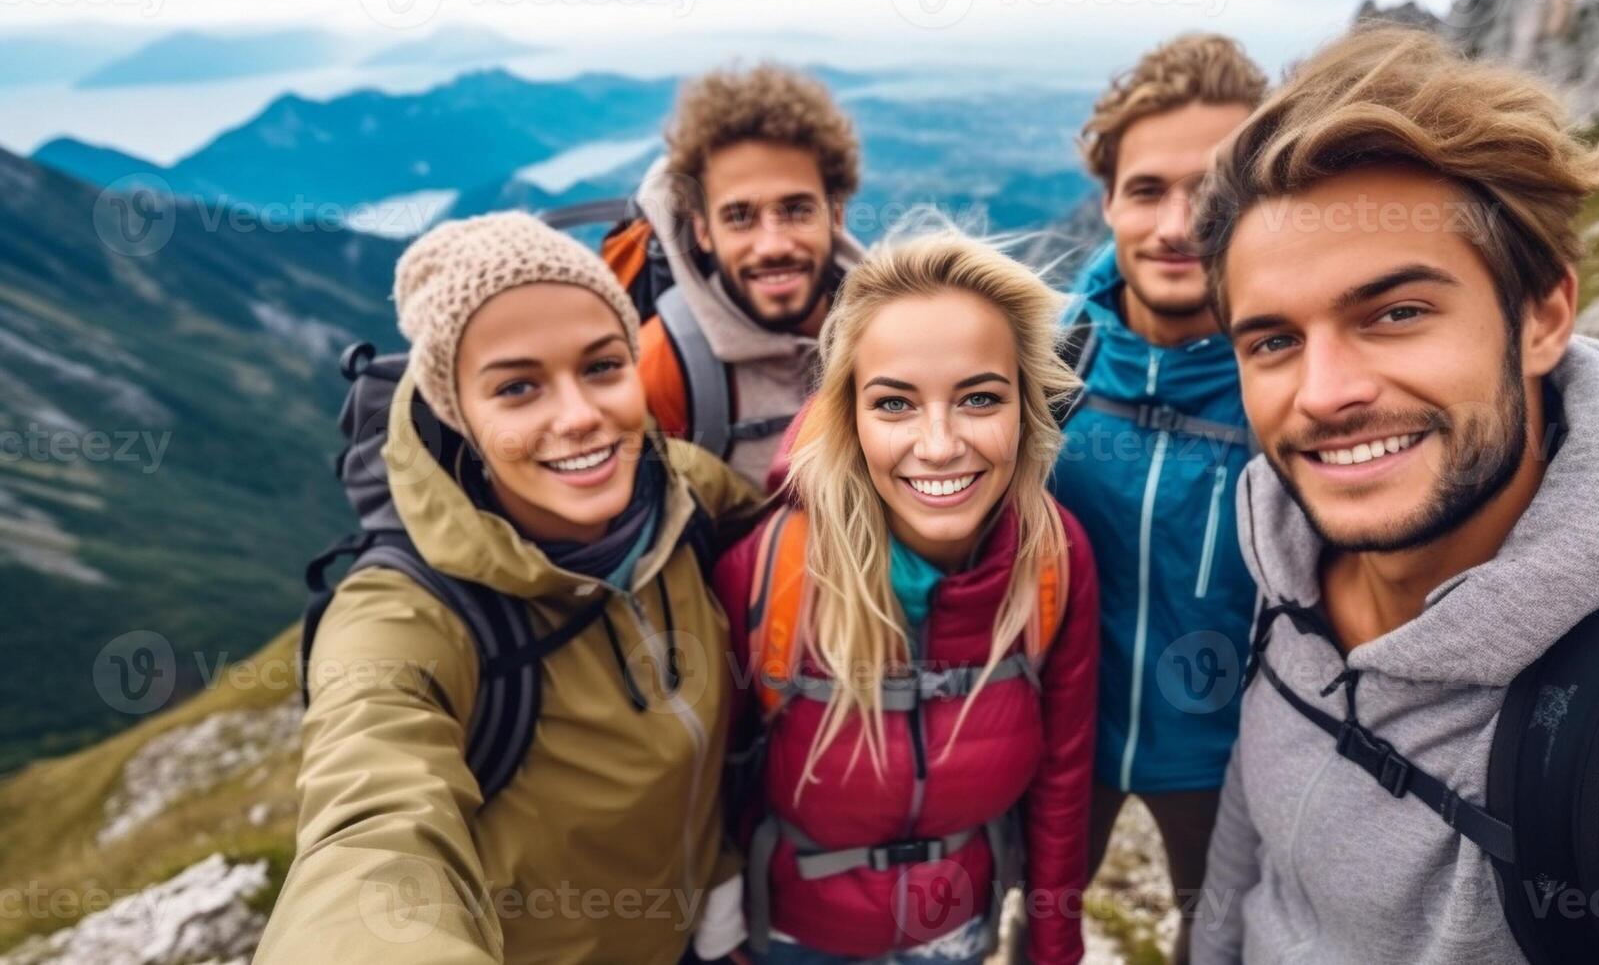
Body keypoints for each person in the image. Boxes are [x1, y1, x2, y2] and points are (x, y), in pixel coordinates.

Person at [1189, 26, 1599, 963]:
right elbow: (1251, 862)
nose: (1324, 393)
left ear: (1541, 317)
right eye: (1273, 341)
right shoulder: (1282, 546)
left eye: (1396, 313)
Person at [257, 212, 763, 964]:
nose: (580, 417)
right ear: (458, 412)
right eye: (518, 387)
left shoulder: (685, 492)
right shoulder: (409, 617)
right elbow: (369, 829)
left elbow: (814, 544)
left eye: (602, 367)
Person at [709, 232, 1099, 963]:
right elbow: (709, 781)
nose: (940, 443)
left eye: (979, 398)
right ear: (849, 417)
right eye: (894, 405)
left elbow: (1063, 775)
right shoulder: (769, 571)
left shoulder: (1053, 559)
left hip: (954, 929)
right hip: (794, 936)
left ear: (1027, 407)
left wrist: (1054, 947)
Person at [1049, 33, 1266, 956]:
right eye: (1146, 190)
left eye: (1213, 193)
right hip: (1061, 740)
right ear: (1107, 203)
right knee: (1035, 929)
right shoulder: (1045, 366)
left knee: (1216, 944)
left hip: (1232, 759)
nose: (1178, 225)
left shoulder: (1292, 384)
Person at [631, 64, 868, 489]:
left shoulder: (895, 332)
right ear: (703, 231)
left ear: (835, 215)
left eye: (796, 210)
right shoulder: (663, 367)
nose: (772, 245)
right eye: (740, 217)